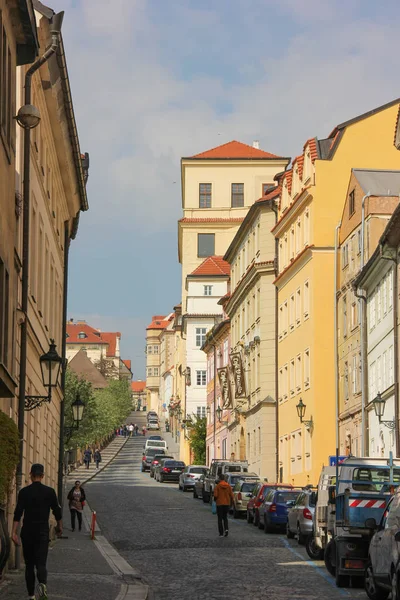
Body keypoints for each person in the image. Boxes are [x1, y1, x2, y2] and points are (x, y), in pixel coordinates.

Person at [12, 463, 63, 600]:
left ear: (30, 475)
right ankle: (42, 586)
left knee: (29, 565)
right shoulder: (50, 492)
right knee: (41, 563)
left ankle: (31, 596)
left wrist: (13, 532)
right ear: (42, 475)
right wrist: (60, 526)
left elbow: (18, 513)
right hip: (42, 532)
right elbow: (57, 511)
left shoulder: (24, 492)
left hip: (27, 531)